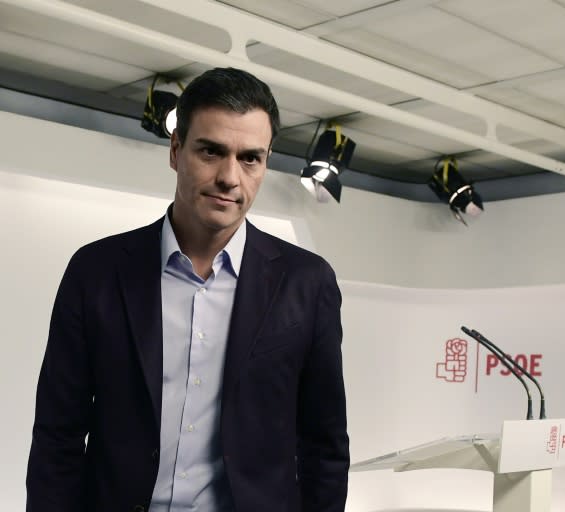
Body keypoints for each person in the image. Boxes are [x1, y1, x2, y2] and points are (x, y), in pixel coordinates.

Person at [26, 67, 349, 512]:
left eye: (250, 158)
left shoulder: (307, 283)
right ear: (176, 150)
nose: (230, 177)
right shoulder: (96, 271)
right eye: (211, 151)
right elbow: (57, 435)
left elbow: (324, 447)